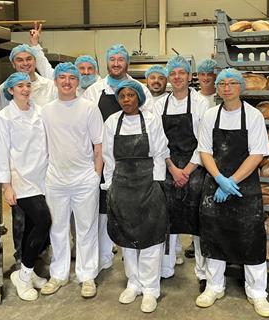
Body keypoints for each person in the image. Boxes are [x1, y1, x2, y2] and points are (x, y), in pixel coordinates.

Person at [196, 68, 269, 318]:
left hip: (244, 187)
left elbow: (257, 153)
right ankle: (214, 286)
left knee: (251, 237)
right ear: (217, 88)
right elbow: (205, 151)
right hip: (214, 184)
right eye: (222, 83)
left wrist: (231, 182)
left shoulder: (253, 116)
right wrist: (218, 178)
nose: (226, 87)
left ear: (241, 87)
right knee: (213, 235)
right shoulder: (210, 115)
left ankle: (257, 293)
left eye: (232, 83)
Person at [83, 44, 153, 273]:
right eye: (112, 59)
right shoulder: (94, 91)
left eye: (120, 60)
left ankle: (134, 259)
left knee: (134, 213)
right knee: (103, 213)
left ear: (127, 63)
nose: (115, 64)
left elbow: (151, 124)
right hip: (104, 161)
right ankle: (103, 258)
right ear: (107, 62)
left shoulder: (141, 89)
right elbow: (84, 127)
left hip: (136, 163)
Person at [102, 79, 169, 313]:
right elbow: (109, 156)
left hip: (148, 182)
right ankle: (134, 282)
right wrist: (110, 185)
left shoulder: (151, 119)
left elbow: (161, 152)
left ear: (139, 98)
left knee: (151, 237)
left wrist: (157, 184)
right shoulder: (112, 122)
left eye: (131, 95)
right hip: (121, 184)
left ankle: (151, 288)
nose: (127, 100)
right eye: (122, 96)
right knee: (126, 236)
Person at [40, 62, 104, 298]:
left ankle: (87, 276)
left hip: (84, 180)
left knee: (87, 229)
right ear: (55, 81)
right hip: (56, 180)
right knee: (57, 229)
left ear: (78, 82)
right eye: (62, 77)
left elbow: (99, 145)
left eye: (72, 78)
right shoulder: (46, 111)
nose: (67, 82)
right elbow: (43, 146)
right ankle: (58, 274)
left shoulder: (89, 108)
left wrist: (95, 176)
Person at [0, 72, 52, 301]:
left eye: (27, 85)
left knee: (31, 226)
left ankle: (28, 271)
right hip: (20, 180)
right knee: (44, 221)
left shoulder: (39, 111)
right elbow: (2, 152)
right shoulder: (5, 116)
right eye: (20, 86)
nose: (25, 89)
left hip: (42, 177)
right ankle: (24, 275)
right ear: (10, 90)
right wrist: (7, 186)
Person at [153, 56, 209, 289]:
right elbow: (158, 141)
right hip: (168, 167)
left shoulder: (200, 103)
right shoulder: (159, 105)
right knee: (167, 219)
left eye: (181, 73)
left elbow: (205, 142)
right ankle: (165, 267)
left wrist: (186, 170)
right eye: (173, 73)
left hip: (194, 167)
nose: (176, 77)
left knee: (198, 221)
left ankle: (202, 272)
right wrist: (172, 169)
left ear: (189, 76)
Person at [28, 22, 101, 95]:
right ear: (75, 71)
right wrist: (35, 44)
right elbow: (44, 67)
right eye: (82, 68)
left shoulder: (101, 88)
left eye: (90, 68)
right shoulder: (67, 84)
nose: (86, 72)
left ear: (96, 72)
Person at [0, 44, 57, 109]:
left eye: (29, 59)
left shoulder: (51, 86)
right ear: (13, 64)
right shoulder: (3, 90)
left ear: (35, 61)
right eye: (20, 60)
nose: (25, 63)